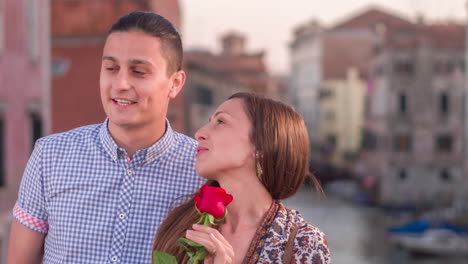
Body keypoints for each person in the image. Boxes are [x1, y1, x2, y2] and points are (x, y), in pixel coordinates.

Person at [7, 11, 204, 264]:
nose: (120, 83)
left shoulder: (203, 170)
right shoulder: (50, 155)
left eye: (139, 72)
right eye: (111, 68)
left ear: (175, 83)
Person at [153, 93, 331, 263]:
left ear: (261, 146)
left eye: (220, 121)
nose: (199, 133)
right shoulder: (179, 226)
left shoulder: (303, 244)